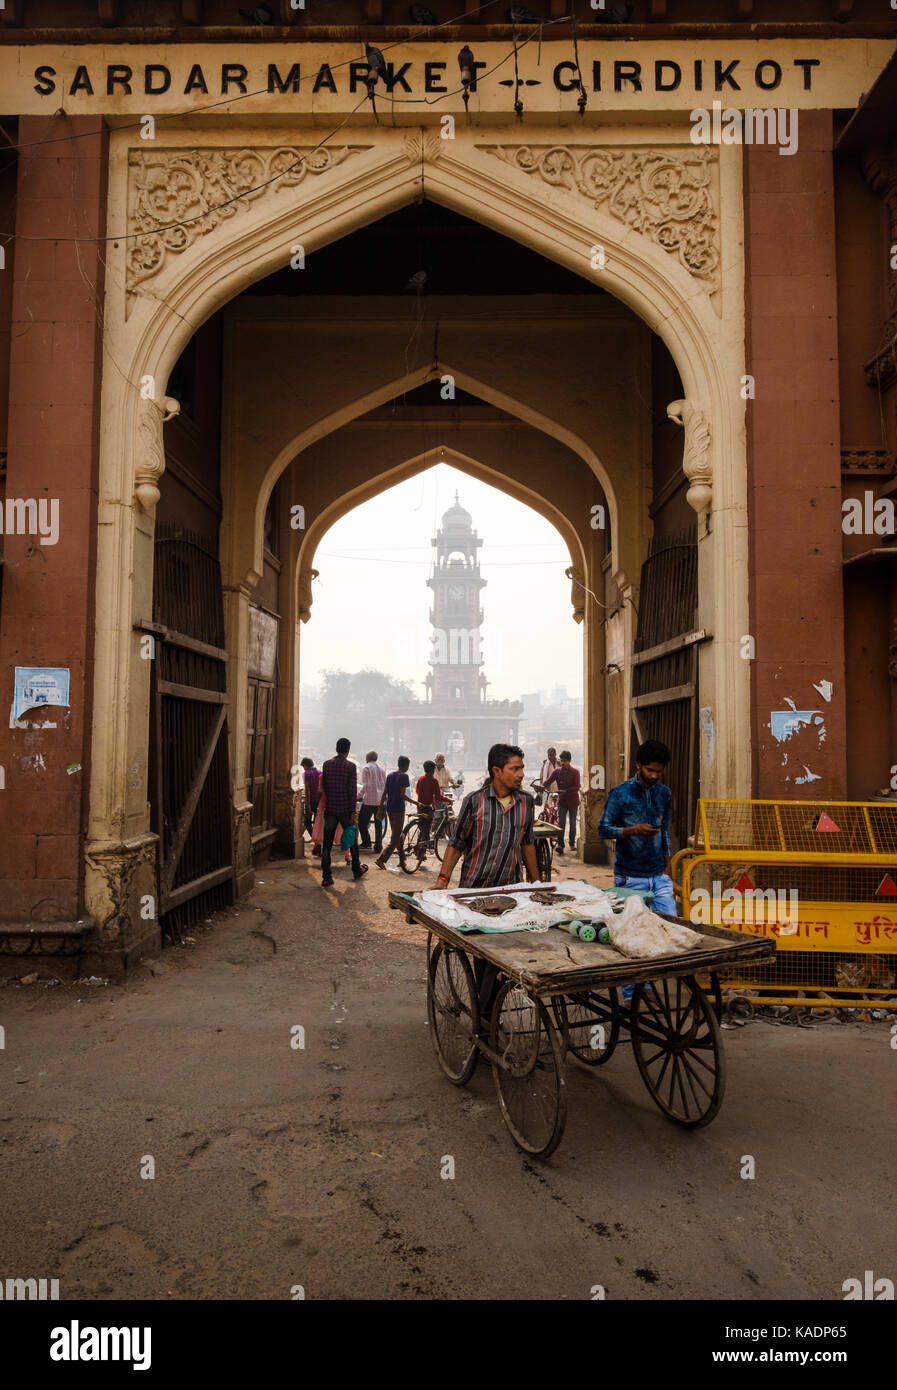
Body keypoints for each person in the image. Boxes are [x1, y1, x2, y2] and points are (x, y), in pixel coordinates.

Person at [435, 743, 539, 1020]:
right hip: (476, 892)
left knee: (502, 958)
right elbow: (457, 843)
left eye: (521, 768)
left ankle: (485, 1017)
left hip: (510, 891)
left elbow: (528, 843)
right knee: (484, 957)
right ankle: (485, 1021)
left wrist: (537, 883)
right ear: (497, 771)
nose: (520, 774)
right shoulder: (474, 801)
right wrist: (443, 880)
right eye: (514, 769)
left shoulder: (527, 802)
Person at [598, 739, 675, 1002]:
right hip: (629, 877)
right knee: (632, 935)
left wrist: (667, 864)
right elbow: (603, 829)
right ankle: (631, 993)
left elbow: (665, 831)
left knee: (667, 929)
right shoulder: (620, 794)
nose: (654, 776)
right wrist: (632, 830)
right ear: (638, 765)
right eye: (650, 770)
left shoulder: (664, 793)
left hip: (659, 876)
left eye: (658, 772)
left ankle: (649, 984)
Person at [319, 737, 368, 888]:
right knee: (352, 840)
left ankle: (327, 876)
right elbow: (352, 790)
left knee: (327, 844)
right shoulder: (350, 766)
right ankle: (356, 869)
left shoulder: (327, 765)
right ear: (347, 750)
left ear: (336, 748)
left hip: (331, 809)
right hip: (346, 811)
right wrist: (352, 811)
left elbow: (324, 787)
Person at [375, 755, 416, 870]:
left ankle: (402, 859)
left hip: (389, 808)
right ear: (406, 765)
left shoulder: (390, 775)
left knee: (397, 834)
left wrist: (380, 808)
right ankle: (381, 859)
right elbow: (402, 795)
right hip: (398, 809)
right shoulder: (404, 776)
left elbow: (384, 793)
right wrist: (416, 803)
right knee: (395, 837)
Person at [543, 750, 581, 856]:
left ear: (569, 761)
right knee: (561, 824)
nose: (563, 763)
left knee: (573, 824)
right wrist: (541, 786)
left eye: (565, 761)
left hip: (573, 801)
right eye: (562, 761)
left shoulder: (575, 772)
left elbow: (577, 787)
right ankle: (560, 845)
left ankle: (572, 843)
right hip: (562, 802)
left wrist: (566, 791)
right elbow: (548, 780)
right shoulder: (557, 771)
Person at [357, 750, 387, 854]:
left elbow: (366, 785)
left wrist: (358, 796)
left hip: (369, 801)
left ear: (368, 758)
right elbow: (384, 786)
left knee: (361, 823)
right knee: (378, 825)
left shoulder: (366, 768)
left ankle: (367, 842)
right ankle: (378, 847)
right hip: (381, 802)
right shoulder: (382, 770)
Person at [416, 759, 450, 846]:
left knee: (422, 827)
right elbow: (438, 797)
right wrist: (448, 800)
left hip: (419, 806)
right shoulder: (434, 781)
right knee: (427, 828)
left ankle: (420, 846)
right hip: (428, 807)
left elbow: (417, 791)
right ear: (433, 769)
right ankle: (423, 848)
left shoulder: (421, 779)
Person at [301, 756, 321, 856]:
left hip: (311, 801)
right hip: (320, 801)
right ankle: (318, 841)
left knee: (307, 822)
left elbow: (307, 790)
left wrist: (308, 804)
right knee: (318, 823)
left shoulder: (306, 774)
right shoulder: (320, 772)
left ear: (305, 765)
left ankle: (316, 840)